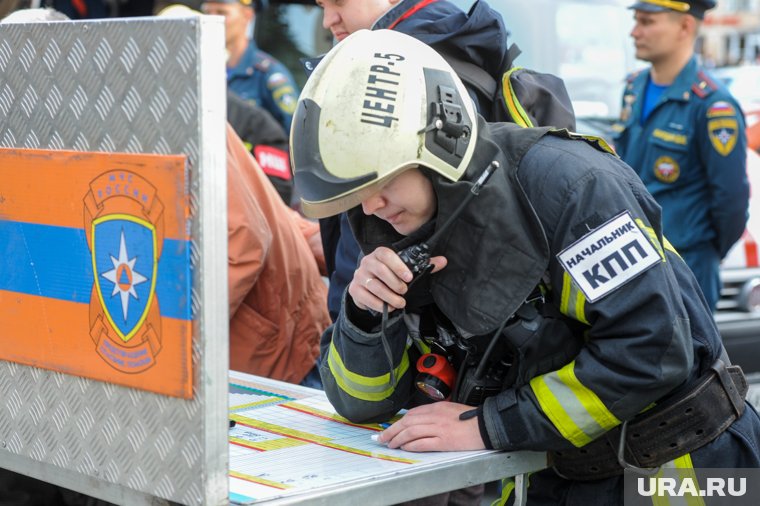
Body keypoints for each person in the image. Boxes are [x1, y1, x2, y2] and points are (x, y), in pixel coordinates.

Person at [291, 29, 760, 505]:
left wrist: (491, 425)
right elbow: (360, 404)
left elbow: (650, 351)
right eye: (355, 190)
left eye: (384, 178)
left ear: (440, 140)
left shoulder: (574, 187)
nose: (370, 205)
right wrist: (365, 318)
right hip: (554, 477)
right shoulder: (392, 224)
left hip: (683, 474)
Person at [315, 0, 515, 322]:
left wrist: (350, 319)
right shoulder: (439, 55)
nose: (328, 20)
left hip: (399, 327)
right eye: (321, 5)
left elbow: (371, 245)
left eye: (339, 2)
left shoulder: (403, 80)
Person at [613, 0, 749, 312]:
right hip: (632, 260)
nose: (635, 32)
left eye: (647, 22)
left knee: (688, 359)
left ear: (685, 26)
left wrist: (703, 252)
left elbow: (731, 200)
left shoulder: (714, 106)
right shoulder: (635, 88)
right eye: (636, 20)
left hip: (686, 267)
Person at [226, 123, 330, 385]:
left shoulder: (190, 116)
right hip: (274, 342)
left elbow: (243, 236)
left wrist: (175, 332)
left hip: (279, 353)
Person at [201, 0, 299, 133]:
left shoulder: (269, 75)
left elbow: (295, 136)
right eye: (207, 13)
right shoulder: (202, 69)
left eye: (221, 13)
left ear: (247, 15)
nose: (212, 21)